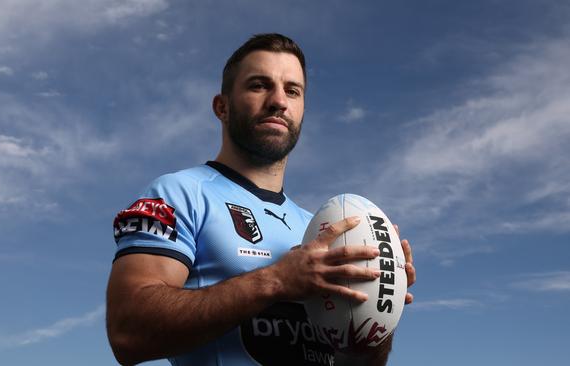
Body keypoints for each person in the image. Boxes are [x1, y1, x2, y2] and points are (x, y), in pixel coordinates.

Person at [106, 33, 416, 366]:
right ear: (222, 107)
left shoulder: (317, 228)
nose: (278, 101)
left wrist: (382, 310)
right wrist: (277, 280)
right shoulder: (179, 194)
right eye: (259, 85)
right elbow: (128, 332)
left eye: (292, 91)